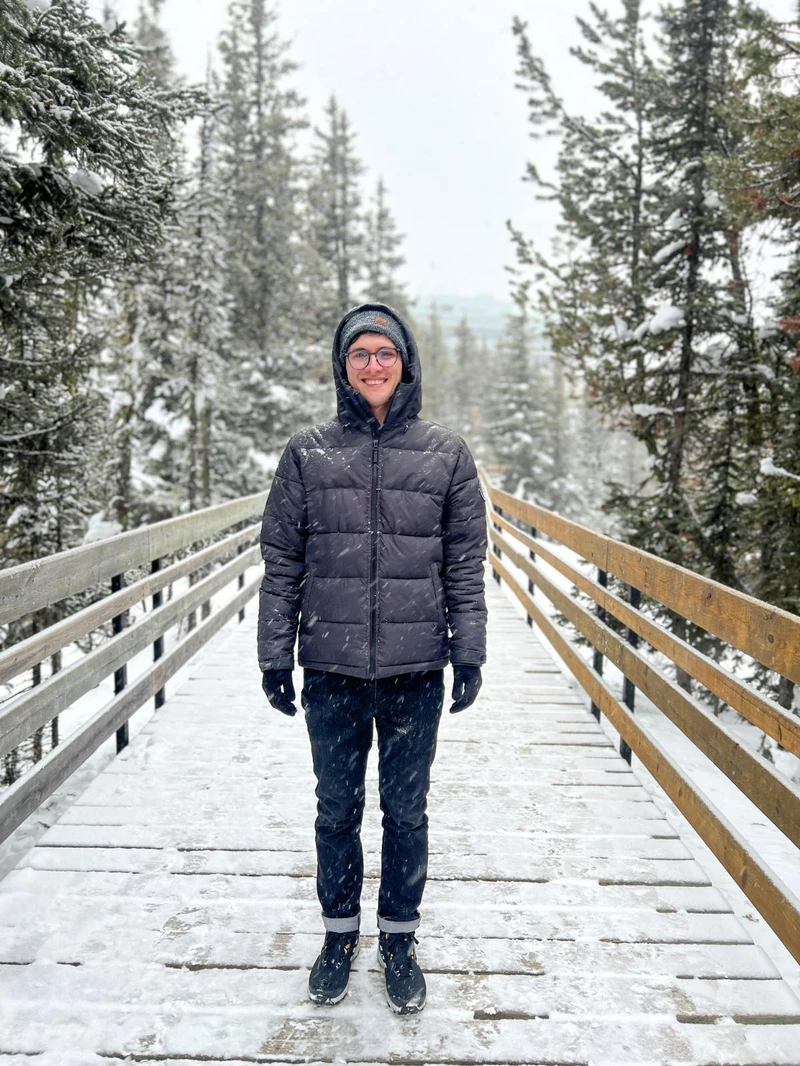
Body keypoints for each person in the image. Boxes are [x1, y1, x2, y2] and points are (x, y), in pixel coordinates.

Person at [257, 303, 487, 1015]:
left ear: (405, 362)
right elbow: (282, 561)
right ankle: (337, 937)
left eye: (385, 352)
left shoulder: (447, 454)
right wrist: (275, 655)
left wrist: (468, 652)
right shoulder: (307, 453)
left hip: (416, 669)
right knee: (336, 809)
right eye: (359, 353)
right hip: (332, 668)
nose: (373, 365)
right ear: (343, 366)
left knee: (406, 811)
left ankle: (398, 939)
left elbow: (465, 564)